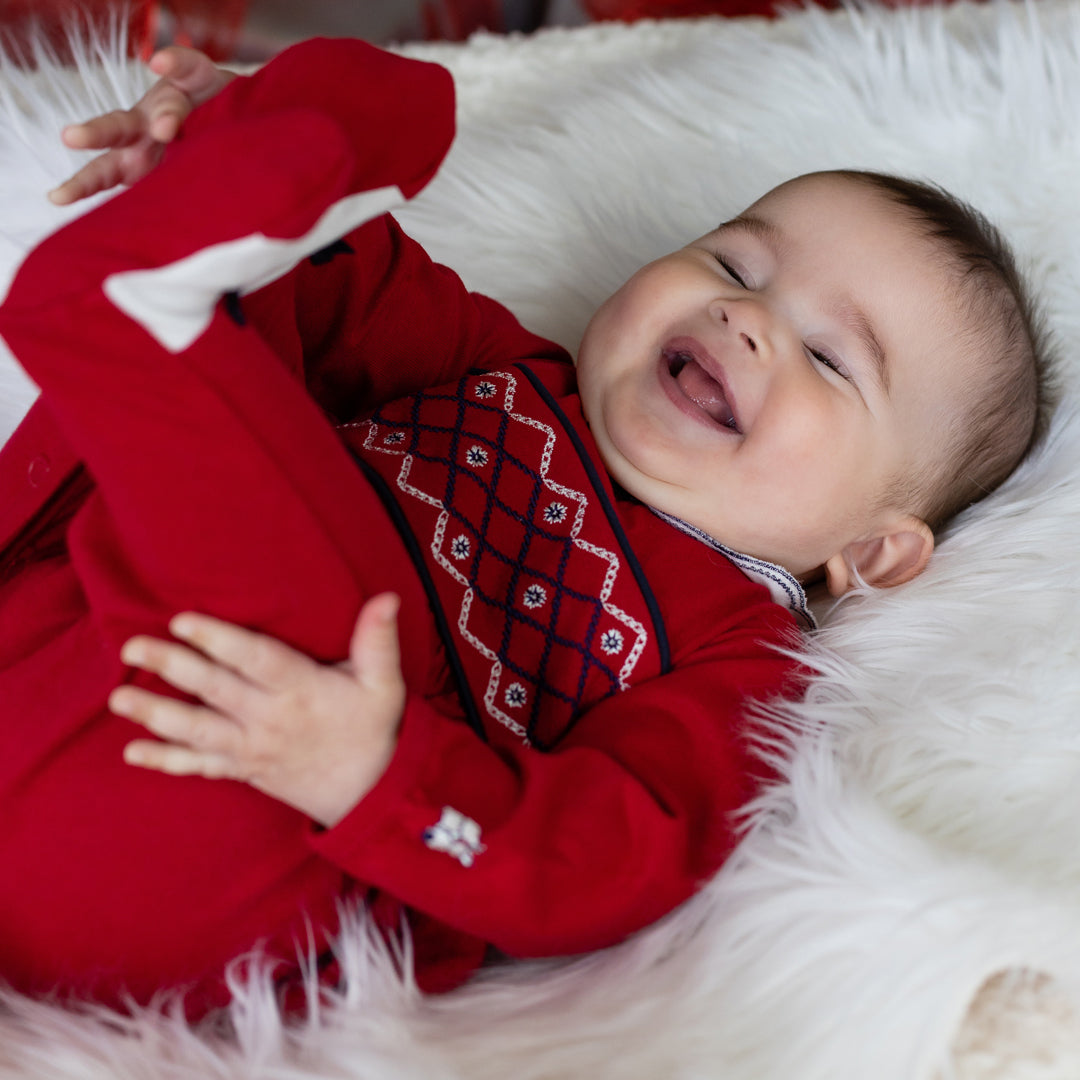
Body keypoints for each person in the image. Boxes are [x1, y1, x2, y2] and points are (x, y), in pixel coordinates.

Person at [0, 37, 1045, 1019]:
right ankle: (239, 181)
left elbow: (613, 853)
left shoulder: (737, 655)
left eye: (828, 359)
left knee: (358, 615)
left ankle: (139, 307)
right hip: (69, 645)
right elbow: (350, 288)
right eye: (733, 266)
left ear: (868, 553)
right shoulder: (503, 366)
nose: (748, 319)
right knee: (296, 291)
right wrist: (218, 155)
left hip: (238, 811)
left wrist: (374, 773)